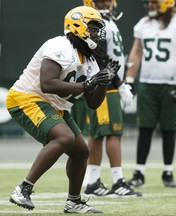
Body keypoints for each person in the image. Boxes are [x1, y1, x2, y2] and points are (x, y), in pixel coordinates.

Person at [6, 6, 121, 214]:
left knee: (81, 152)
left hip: (55, 105)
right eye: (93, 28)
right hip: (26, 98)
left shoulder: (91, 61)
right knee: (65, 138)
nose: (97, 34)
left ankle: (74, 201)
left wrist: (104, 81)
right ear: (78, 25)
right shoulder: (59, 45)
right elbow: (47, 84)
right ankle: (23, 189)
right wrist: (87, 84)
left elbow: (93, 103)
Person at [126, 0, 176, 188]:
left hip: (171, 83)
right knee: (145, 129)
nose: (150, 5)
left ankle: (168, 171)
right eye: (149, 2)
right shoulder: (144, 24)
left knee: (168, 129)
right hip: (148, 83)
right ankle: (139, 172)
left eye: (154, 2)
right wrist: (130, 80)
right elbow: (136, 52)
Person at [79, 0, 141, 197]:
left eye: (107, 0)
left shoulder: (108, 23)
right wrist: (120, 83)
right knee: (112, 132)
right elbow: (100, 57)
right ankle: (117, 181)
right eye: (100, 1)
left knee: (98, 134)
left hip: (107, 83)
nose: (105, 4)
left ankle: (93, 181)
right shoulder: (95, 24)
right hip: (105, 85)